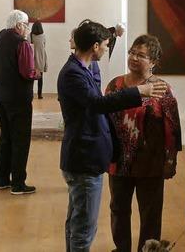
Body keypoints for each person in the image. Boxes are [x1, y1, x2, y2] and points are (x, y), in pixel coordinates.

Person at [58, 20, 167, 252]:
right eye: (106, 45)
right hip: (86, 158)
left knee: (79, 221)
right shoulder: (75, 74)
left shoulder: (88, 67)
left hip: (140, 163)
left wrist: (110, 32)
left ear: (154, 62)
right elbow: (98, 103)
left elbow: (170, 125)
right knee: (84, 227)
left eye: (141, 55)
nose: (108, 48)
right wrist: (140, 91)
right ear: (95, 47)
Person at [106, 35, 182, 252]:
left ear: (154, 61)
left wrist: (170, 160)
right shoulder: (115, 85)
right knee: (118, 209)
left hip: (151, 163)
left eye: (141, 55)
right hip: (118, 161)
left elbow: (173, 129)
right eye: (132, 52)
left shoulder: (162, 89)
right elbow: (104, 121)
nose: (134, 58)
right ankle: (121, 249)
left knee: (150, 213)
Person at [0, 9, 37, 195]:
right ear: (19, 25)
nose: (27, 29)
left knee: (6, 137)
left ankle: (2, 180)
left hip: (0, 96)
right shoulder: (22, 43)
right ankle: (18, 183)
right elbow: (28, 72)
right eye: (26, 25)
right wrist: (37, 73)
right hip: (19, 98)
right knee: (21, 140)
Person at [30, 20, 47, 99]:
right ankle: (39, 95)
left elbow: (29, 46)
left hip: (33, 58)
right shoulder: (43, 35)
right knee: (40, 77)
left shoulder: (30, 35)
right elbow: (44, 45)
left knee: (32, 77)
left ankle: (31, 93)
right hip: (41, 57)